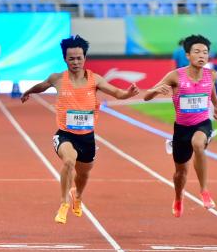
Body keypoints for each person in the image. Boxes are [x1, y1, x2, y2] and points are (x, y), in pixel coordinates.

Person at [20, 35, 139, 224]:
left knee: (83, 175)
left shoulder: (95, 80)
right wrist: (29, 91)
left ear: (84, 58)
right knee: (69, 162)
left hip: (87, 138)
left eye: (79, 58)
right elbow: (42, 86)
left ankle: (78, 196)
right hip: (65, 135)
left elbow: (117, 93)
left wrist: (128, 93)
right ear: (65, 59)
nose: (75, 62)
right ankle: (64, 203)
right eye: (71, 58)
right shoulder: (57, 78)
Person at [143, 34, 217, 217]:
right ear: (187, 54)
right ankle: (178, 197)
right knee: (180, 173)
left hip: (203, 123)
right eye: (197, 52)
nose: (202, 55)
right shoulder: (175, 76)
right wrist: (156, 90)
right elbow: (147, 96)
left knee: (198, 143)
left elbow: (211, 89)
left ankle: (204, 191)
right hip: (181, 129)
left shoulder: (212, 74)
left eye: (205, 52)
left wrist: (216, 107)